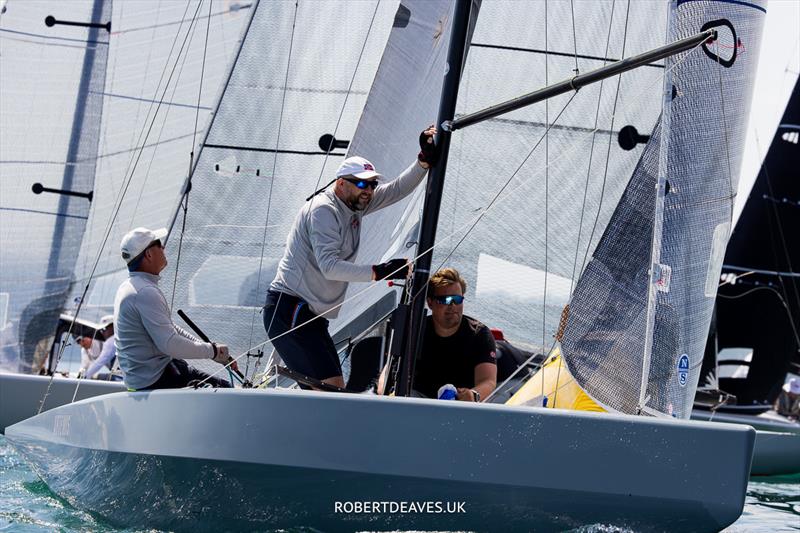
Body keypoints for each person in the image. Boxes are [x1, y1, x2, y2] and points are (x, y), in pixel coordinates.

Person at [264, 126, 439, 390]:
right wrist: (381, 271)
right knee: (328, 387)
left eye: (371, 184)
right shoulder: (323, 210)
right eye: (360, 183)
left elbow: (396, 190)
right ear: (341, 184)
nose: (367, 189)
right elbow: (330, 267)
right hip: (289, 309)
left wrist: (423, 161)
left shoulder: (355, 203)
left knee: (330, 387)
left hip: (310, 315)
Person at [114, 227, 235, 390]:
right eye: (159, 244)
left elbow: (169, 328)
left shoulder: (130, 287)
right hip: (159, 380)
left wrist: (212, 350)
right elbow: (170, 344)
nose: (163, 248)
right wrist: (211, 351)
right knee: (227, 391)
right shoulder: (145, 292)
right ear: (149, 254)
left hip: (151, 377)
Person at [410, 267, 497, 402]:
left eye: (457, 299)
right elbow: (388, 373)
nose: (453, 305)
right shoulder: (414, 330)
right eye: (445, 300)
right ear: (430, 302)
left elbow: (488, 381)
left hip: (462, 405)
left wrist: (473, 395)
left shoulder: (480, 335)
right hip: (419, 401)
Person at [84, 315, 121, 380]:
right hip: (127, 376)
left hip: (122, 378)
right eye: (101, 330)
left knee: (98, 377)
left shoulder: (111, 341)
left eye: (104, 329)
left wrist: (86, 376)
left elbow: (100, 361)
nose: (103, 333)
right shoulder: (120, 338)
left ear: (113, 327)